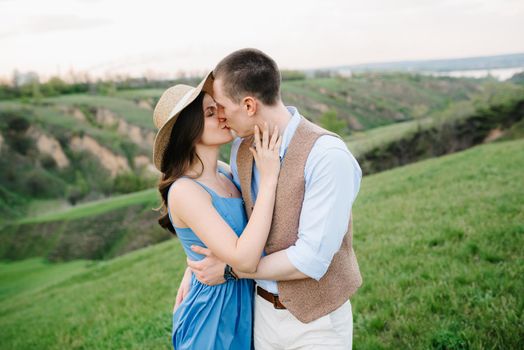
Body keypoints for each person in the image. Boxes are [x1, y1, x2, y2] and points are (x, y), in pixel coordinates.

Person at [178, 48, 363, 349]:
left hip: (317, 324)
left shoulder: (327, 157)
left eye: (222, 107)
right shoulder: (241, 149)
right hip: (261, 316)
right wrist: (196, 266)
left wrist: (229, 270)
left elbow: (310, 260)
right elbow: (234, 221)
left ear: (249, 105)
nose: (221, 118)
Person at [152, 73, 282, 350]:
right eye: (211, 112)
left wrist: (189, 268)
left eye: (218, 108)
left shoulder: (225, 172)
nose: (223, 115)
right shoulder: (185, 190)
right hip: (211, 313)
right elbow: (244, 259)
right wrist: (270, 180)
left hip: (243, 302)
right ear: (189, 129)